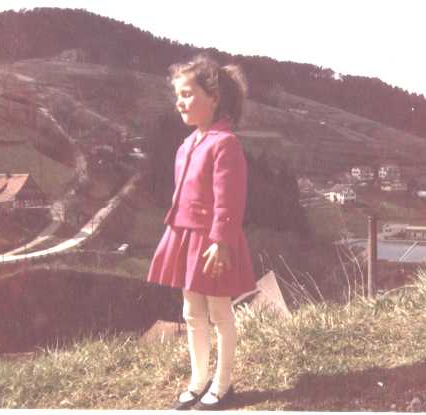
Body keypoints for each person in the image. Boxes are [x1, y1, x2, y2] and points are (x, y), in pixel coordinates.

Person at [146, 54, 257, 410]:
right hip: (186, 238)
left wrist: (221, 241)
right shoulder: (187, 145)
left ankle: (222, 385)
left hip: (212, 242)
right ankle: (197, 381)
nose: (179, 102)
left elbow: (230, 199)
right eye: (177, 95)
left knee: (220, 313)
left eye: (187, 94)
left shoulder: (225, 143)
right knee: (191, 312)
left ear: (214, 98)